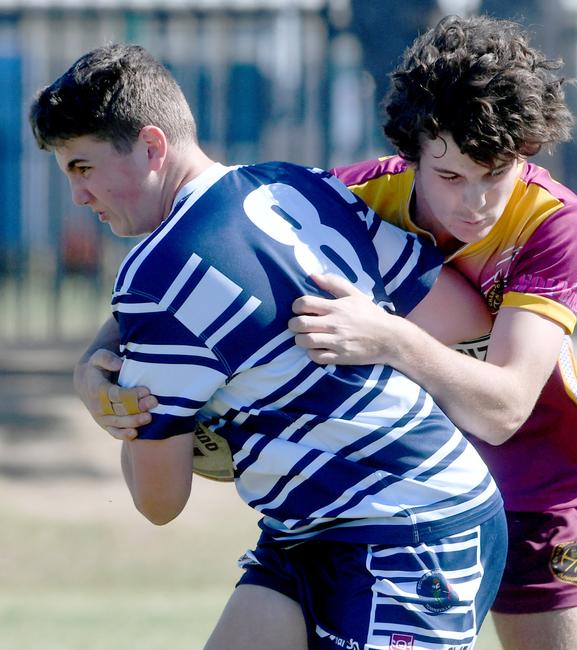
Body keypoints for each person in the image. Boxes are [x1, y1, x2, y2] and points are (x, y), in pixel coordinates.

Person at [31, 43, 507, 650]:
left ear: (152, 147)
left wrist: (121, 409)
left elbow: (159, 499)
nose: (78, 195)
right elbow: (465, 317)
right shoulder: (293, 185)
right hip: (329, 523)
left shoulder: (158, 279)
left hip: (406, 534)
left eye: (82, 167)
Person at [288, 15, 577, 650]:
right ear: (410, 154)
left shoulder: (555, 223)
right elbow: (227, 243)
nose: (477, 203)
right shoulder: (353, 200)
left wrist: (386, 338)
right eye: (450, 177)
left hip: (537, 488)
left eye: (497, 174)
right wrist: (104, 349)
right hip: (403, 494)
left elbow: (506, 409)